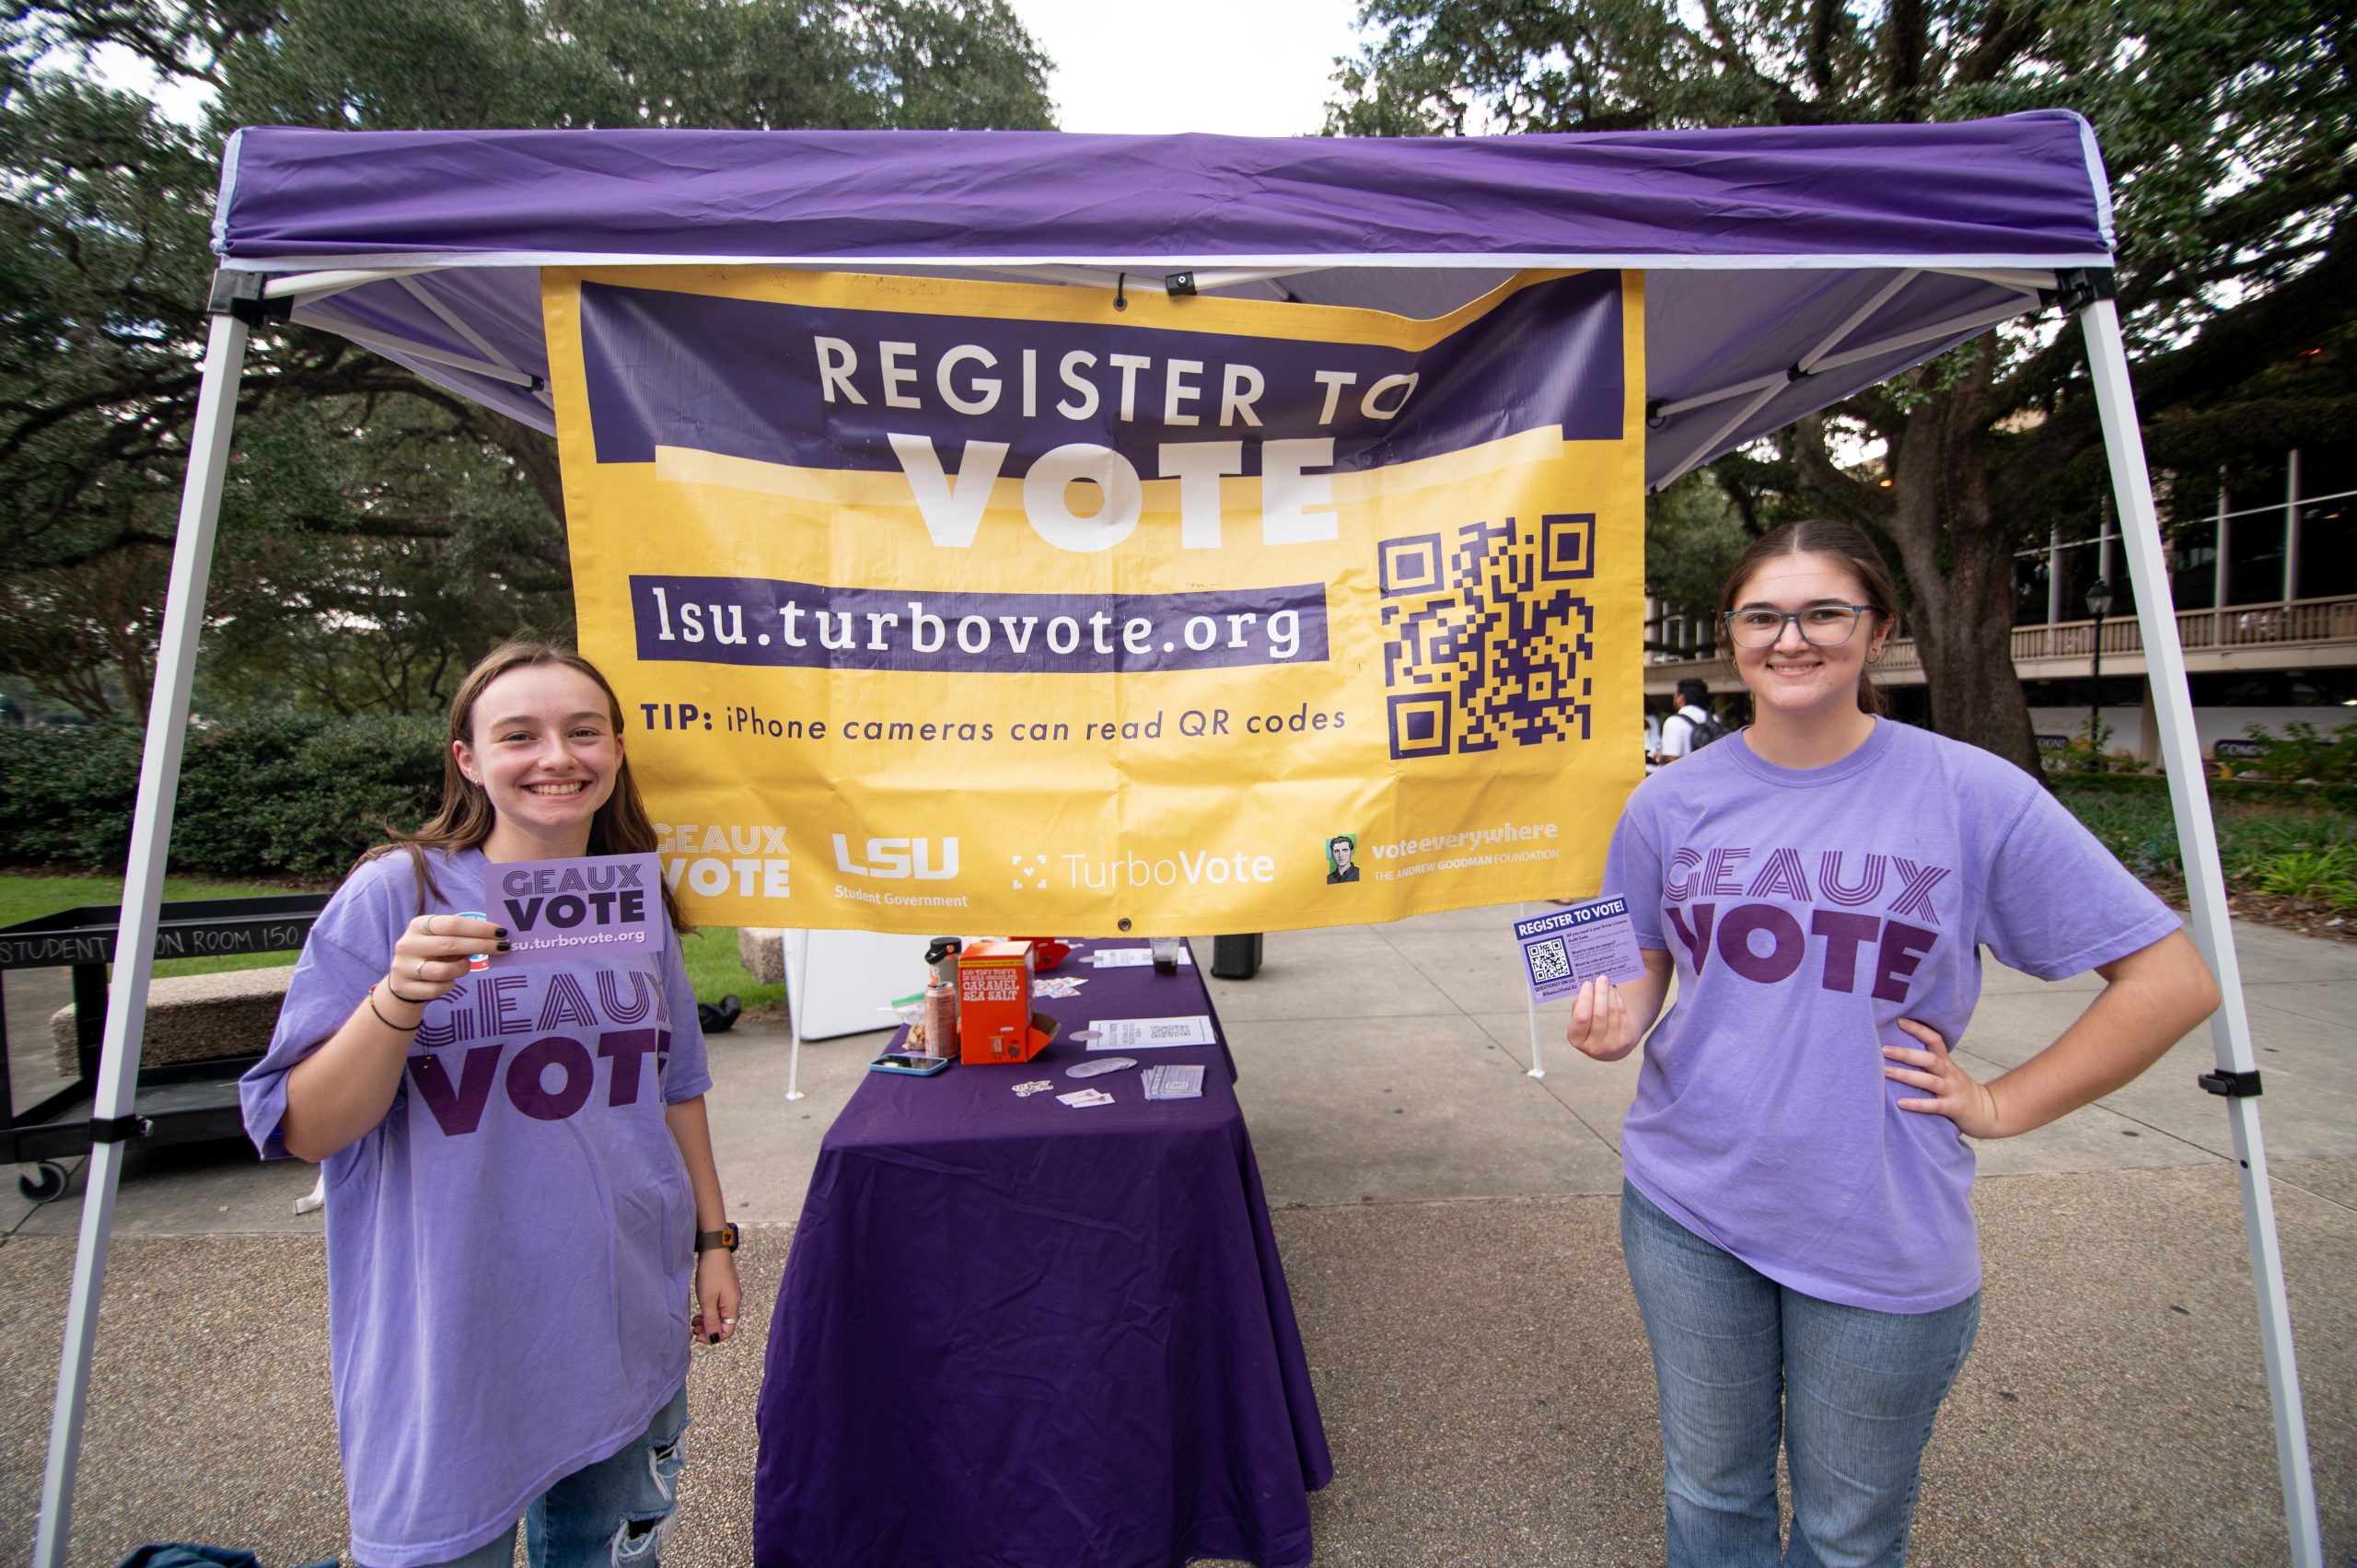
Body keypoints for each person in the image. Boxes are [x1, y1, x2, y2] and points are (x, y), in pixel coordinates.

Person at [1565, 519, 2217, 1566]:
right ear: (1731, 634)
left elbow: (2170, 980)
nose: (1790, 638)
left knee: (1848, 1531)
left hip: (1877, 1213)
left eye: (1824, 611)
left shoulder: (1970, 791)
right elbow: (1641, 957)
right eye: (1761, 614)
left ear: (1877, 632)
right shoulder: (1666, 801)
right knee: (1708, 1493)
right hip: (1688, 1203)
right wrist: (1614, 1022)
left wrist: (2003, 1101)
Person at [241, 641, 742, 1568]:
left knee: (600, 1547)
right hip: (461, 1319)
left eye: (581, 731)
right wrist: (396, 999)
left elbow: (674, 1083)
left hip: (621, 1299)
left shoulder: (628, 891)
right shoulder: (400, 891)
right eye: (520, 734)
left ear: (617, 750)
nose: (557, 754)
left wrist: (713, 1239)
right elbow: (302, 1125)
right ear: (469, 758)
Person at [1655, 677, 1716, 761]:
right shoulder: (1714, 719)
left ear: (1681, 698)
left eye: (1675, 695)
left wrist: (1660, 756)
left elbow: (1672, 758)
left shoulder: (1674, 722)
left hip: (1687, 773)